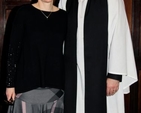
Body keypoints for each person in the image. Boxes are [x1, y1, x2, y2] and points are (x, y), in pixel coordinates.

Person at [58, 0, 138, 113]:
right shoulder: (65, 1)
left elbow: (119, 34)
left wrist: (114, 76)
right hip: (73, 74)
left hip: (103, 73)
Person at [5, 0, 67, 112]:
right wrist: (10, 84)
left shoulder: (64, 16)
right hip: (27, 85)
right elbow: (12, 50)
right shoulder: (24, 12)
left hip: (56, 86)